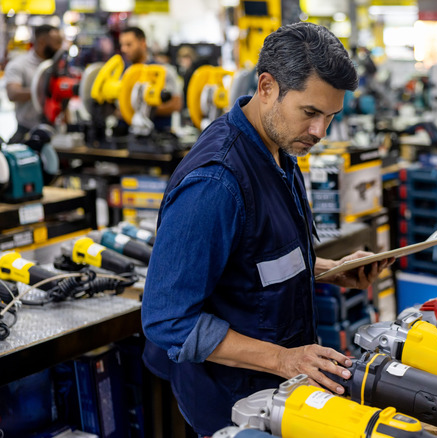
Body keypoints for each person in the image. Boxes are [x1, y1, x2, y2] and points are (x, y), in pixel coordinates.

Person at [141, 22, 392, 436]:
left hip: (281, 393)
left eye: (330, 116)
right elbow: (168, 320)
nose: (319, 132)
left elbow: (257, 257)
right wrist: (284, 360)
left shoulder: (275, 148)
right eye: (310, 113)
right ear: (267, 87)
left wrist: (326, 268)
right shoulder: (215, 184)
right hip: (234, 404)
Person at [3, 25, 62, 143]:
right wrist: (44, 90)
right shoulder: (19, 64)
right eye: (57, 43)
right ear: (41, 42)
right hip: (27, 131)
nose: (60, 47)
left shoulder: (58, 66)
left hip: (55, 130)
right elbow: (13, 94)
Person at [118, 26, 182, 130]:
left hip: (157, 136)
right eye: (122, 45)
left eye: (129, 44)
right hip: (125, 138)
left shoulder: (164, 71)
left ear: (143, 43)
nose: (124, 49)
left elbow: (176, 104)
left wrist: (140, 108)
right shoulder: (122, 73)